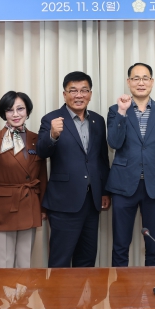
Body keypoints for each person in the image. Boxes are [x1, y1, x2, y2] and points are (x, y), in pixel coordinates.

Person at [106, 63, 155, 267]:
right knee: (121, 243)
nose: (141, 83)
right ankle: (120, 286)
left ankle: (152, 284)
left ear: (152, 82)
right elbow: (114, 143)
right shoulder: (115, 110)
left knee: (154, 244)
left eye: (145, 78)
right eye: (136, 78)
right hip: (123, 185)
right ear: (128, 82)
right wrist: (122, 112)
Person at [37, 71, 110, 268]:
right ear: (64, 94)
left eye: (84, 90)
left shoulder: (98, 120)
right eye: (73, 90)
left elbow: (102, 158)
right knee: (60, 260)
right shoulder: (51, 119)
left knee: (87, 259)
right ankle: (57, 291)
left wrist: (104, 191)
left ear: (90, 94)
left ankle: (83, 291)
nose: (79, 95)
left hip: (92, 201)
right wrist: (52, 135)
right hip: (64, 202)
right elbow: (41, 152)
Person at [0, 91, 47, 268]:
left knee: (25, 264)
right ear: (3, 113)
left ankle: (23, 290)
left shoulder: (36, 139)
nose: (15, 114)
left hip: (29, 204)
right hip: (3, 207)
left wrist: (42, 206)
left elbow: (42, 175)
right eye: (10, 110)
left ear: (28, 111)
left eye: (20, 109)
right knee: (4, 264)